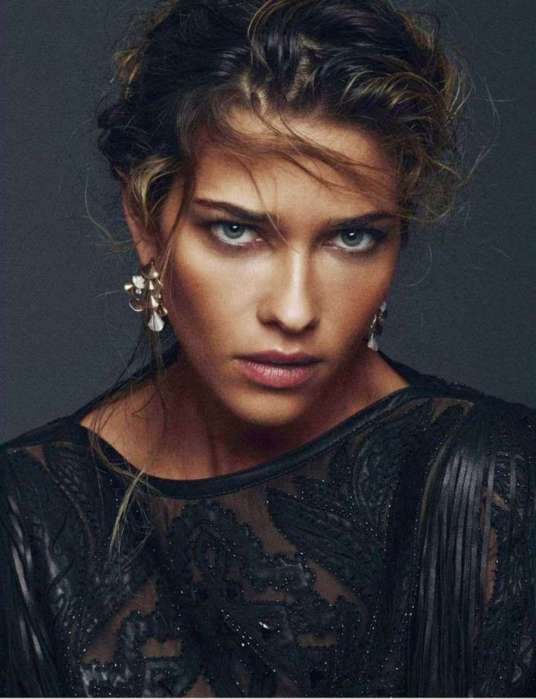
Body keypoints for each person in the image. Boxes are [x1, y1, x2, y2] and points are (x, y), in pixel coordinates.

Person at [1, 0, 534, 696]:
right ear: (147, 222)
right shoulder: (28, 519)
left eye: (352, 237)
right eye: (237, 231)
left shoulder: (495, 484)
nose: (294, 309)